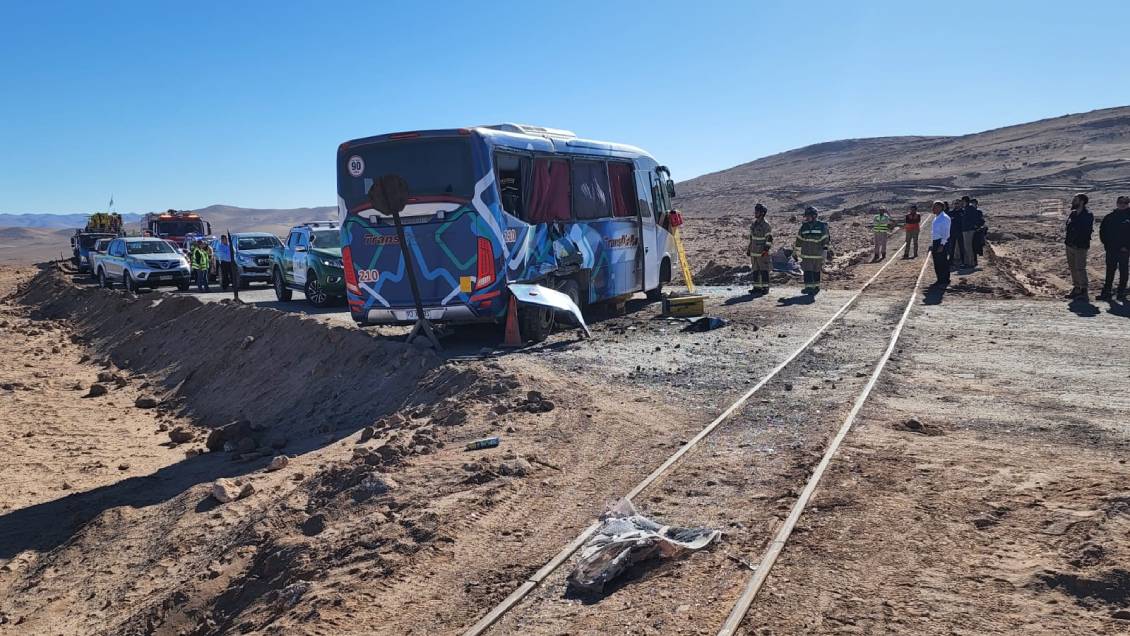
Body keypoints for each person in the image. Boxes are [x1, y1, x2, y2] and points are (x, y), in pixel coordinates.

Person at [1097, 196, 1130, 301]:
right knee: (1110, 270)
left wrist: (1127, 247)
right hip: (1111, 249)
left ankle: (1121, 292)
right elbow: (1103, 232)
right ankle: (1107, 292)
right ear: (1117, 203)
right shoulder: (1110, 217)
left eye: (1125, 202)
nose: (1122, 204)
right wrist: (1106, 245)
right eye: (1120, 202)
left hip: (1124, 250)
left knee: (1123, 271)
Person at [1064, 193, 1094, 299]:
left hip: (1080, 246)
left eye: (1075, 199)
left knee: (1080, 268)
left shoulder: (1088, 215)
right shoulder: (1072, 214)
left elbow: (1085, 231)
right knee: (1072, 268)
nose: (1073, 201)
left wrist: (1078, 242)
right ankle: (1076, 288)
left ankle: (1083, 290)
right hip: (1070, 245)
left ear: (1081, 202)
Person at [795, 206, 831, 295]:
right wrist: (796, 252)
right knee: (807, 271)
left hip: (817, 253)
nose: (806, 218)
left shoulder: (822, 226)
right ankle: (808, 288)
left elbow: (826, 239)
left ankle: (816, 287)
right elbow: (799, 239)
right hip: (806, 254)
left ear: (814, 216)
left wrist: (825, 251)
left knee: (816, 271)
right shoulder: (804, 226)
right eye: (806, 216)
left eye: (808, 216)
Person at [746, 203, 773, 295]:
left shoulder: (766, 225)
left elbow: (769, 239)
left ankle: (765, 288)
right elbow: (751, 238)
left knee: (764, 270)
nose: (755, 213)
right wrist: (749, 249)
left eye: (757, 211)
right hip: (754, 252)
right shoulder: (754, 224)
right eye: (755, 211)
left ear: (762, 213)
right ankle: (757, 287)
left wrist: (766, 250)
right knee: (755, 270)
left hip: (762, 253)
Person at [930, 201, 952, 287]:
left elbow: (946, 233)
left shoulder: (945, 218)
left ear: (941, 208)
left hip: (942, 241)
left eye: (935, 207)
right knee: (937, 262)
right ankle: (940, 279)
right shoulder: (936, 217)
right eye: (933, 207)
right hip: (936, 241)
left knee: (942, 261)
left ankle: (944, 280)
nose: (933, 208)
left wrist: (942, 245)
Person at [962, 198, 984, 267]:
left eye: (963, 201)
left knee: (969, 247)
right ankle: (967, 262)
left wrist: (974, 226)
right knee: (966, 247)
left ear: (966, 201)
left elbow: (976, 219)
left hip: (969, 230)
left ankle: (970, 263)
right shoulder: (966, 209)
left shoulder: (970, 209)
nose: (962, 203)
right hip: (965, 230)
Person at [948, 198, 966, 268]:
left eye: (958, 203)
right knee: (951, 247)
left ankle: (963, 261)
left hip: (961, 232)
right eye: (955, 203)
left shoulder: (963, 212)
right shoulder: (950, 213)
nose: (956, 205)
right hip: (952, 232)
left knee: (962, 247)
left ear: (960, 204)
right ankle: (951, 262)